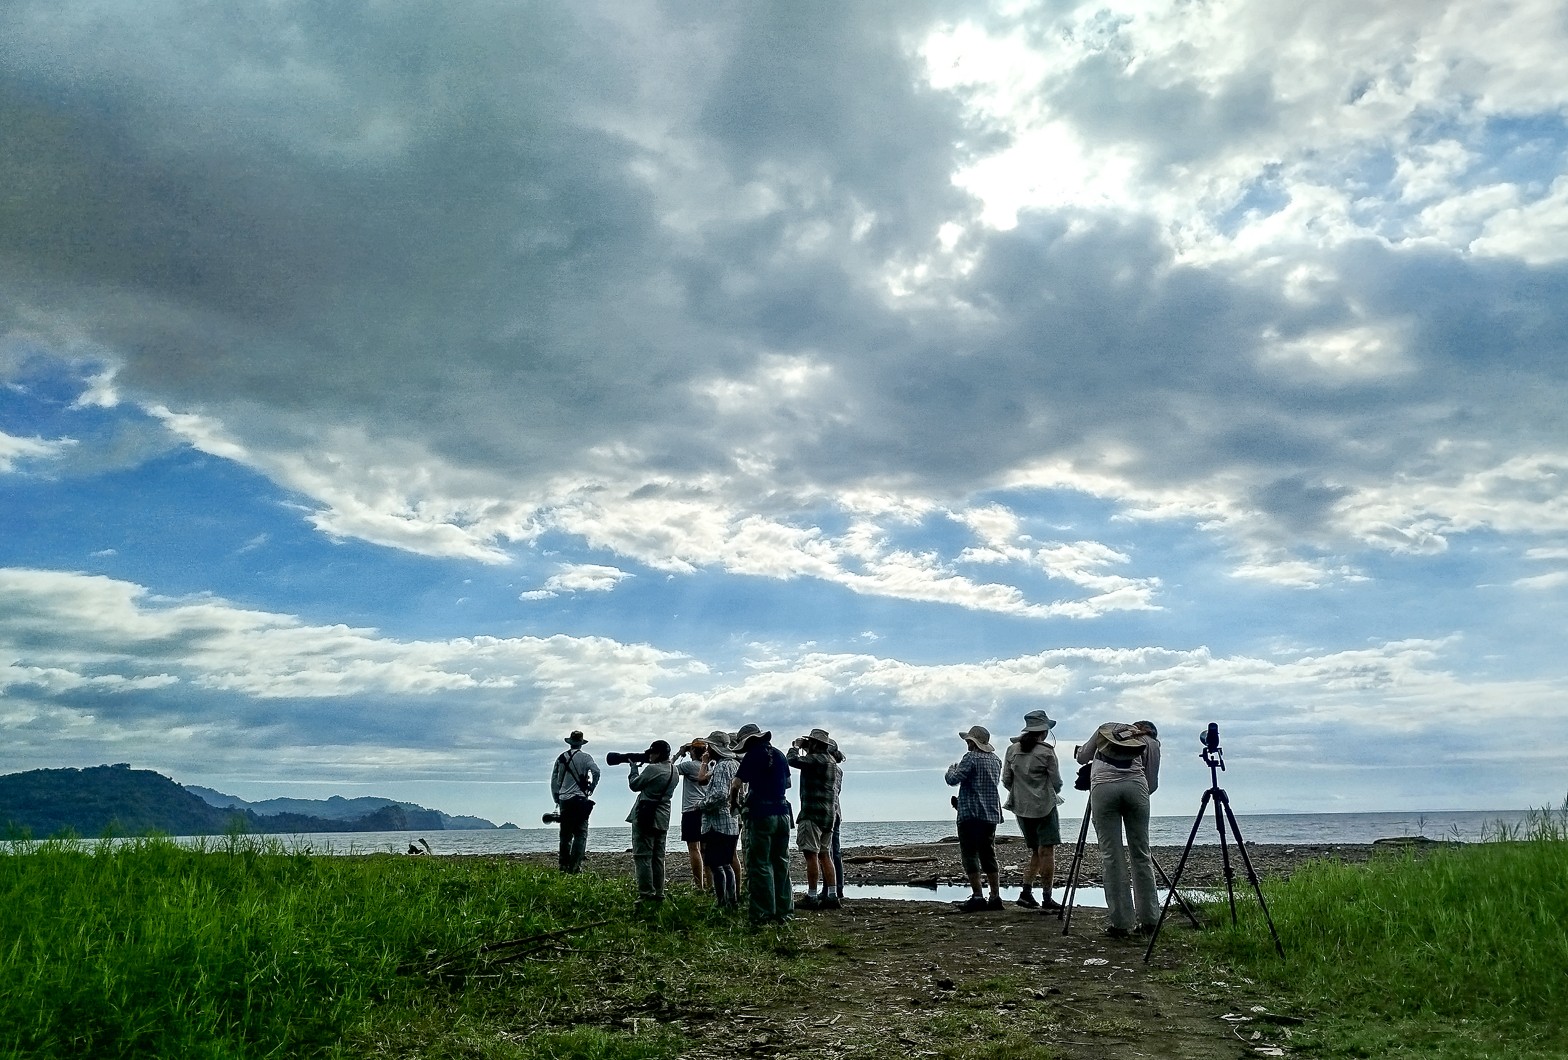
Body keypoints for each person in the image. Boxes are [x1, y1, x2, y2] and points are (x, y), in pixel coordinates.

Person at [1075, 720, 1161, 938]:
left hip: (1103, 788)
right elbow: (1151, 783)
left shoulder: (1105, 731)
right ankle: (1150, 920)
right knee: (1141, 853)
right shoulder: (1150, 742)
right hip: (1136, 787)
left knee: (1111, 855)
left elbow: (1082, 757)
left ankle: (1121, 923)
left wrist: (1083, 754)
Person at [732, 722, 794, 926]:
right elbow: (788, 783)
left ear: (748, 742)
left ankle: (763, 913)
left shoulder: (752, 756)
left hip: (760, 813)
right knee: (781, 862)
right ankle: (784, 912)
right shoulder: (780, 755)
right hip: (783, 813)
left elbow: (736, 784)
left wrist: (734, 802)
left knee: (761, 864)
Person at [1001, 710, 1064, 911]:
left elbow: (1006, 780)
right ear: (1044, 731)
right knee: (1047, 851)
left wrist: (1022, 792)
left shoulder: (1012, 750)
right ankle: (1047, 897)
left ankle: (1026, 892)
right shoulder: (1047, 752)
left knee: (1036, 851)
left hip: (1021, 806)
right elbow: (1057, 782)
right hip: (1044, 806)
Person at [944, 724, 1004, 911]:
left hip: (970, 813)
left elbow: (953, 780)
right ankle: (995, 896)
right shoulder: (996, 760)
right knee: (988, 853)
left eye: (969, 741)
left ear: (973, 742)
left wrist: (951, 770)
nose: (967, 744)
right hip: (990, 813)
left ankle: (977, 895)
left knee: (969, 853)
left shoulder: (970, 758)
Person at [786, 728, 839, 910]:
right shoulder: (831, 761)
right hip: (828, 815)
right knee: (825, 855)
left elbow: (791, 760)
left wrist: (795, 746)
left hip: (812, 813)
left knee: (811, 855)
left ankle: (812, 895)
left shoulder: (816, 759)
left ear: (815, 744)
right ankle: (832, 895)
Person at [625, 740, 679, 905]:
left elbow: (634, 785)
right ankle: (659, 893)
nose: (650, 756)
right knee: (658, 857)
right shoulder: (674, 770)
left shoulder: (653, 769)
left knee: (643, 856)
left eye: (652, 753)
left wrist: (634, 769)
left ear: (658, 754)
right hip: (663, 816)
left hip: (646, 815)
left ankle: (646, 893)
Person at [697, 730, 742, 908]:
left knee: (717, 865)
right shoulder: (734, 764)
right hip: (731, 822)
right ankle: (732, 900)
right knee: (726, 863)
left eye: (709, 746)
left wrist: (701, 804)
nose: (707, 749)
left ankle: (722, 901)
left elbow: (719, 795)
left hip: (718, 823)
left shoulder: (722, 767)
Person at [550, 730, 600, 874]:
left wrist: (556, 797)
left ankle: (563, 866)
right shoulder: (586, 757)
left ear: (570, 742)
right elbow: (596, 771)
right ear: (581, 743)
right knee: (580, 833)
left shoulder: (561, 757)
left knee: (565, 834)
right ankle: (575, 867)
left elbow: (554, 779)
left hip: (564, 799)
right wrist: (592, 787)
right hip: (580, 799)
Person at [673, 736, 712, 891]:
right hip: (707, 809)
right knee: (706, 849)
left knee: (694, 848)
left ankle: (699, 886)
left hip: (691, 809)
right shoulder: (710, 766)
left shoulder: (689, 766)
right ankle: (711, 885)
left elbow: (669, 769)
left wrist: (679, 753)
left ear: (693, 751)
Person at [827, 737, 846, 901]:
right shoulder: (838, 770)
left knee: (827, 852)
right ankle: (838, 888)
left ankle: (830, 888)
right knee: (836, 852)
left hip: (829, 812)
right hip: (836, 811)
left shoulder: (829, 767)